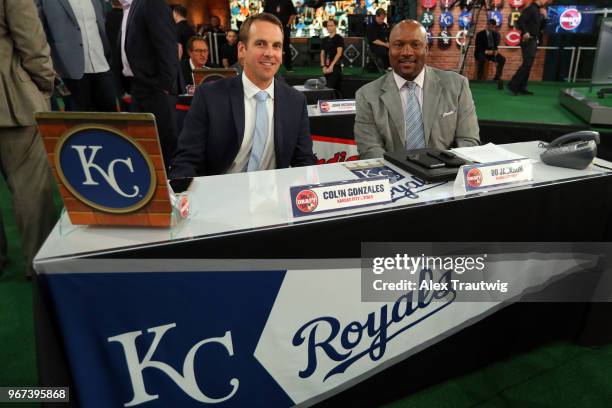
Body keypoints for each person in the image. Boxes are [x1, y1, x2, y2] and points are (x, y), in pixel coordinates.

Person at [170, 13, 316, 178]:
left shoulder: (295, 101)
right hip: (220, 196)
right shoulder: (209, 96)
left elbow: (304, 161)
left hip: (274, 197)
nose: (270, 53)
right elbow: (185, 161)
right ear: (241, 50)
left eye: (276, 46)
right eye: (260, 44)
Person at [354, 20, 480, 159]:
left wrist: (443, 170)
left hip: (446, 174)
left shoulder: (457, 86)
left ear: (426, 49)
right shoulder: (366, 95)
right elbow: (370, 149)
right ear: (389, 49)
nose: (407, 52)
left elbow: (468, 141)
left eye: (415, 45)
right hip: (394, 176)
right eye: (398, 45)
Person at [0, 0, 57, 276]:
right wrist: (45, 84)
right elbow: (32, 43)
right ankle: (40, 266)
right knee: (31, 190)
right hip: (12, 103)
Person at [122, 0, 179, 170]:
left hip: (155, 88)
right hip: (139, 86)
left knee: (164, 148)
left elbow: (167, 47)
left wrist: (165, 86)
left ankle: (171, 191)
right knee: (144, 147)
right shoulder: (134, 5)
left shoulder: (151, 3)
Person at [37, 0, 116, 111]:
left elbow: (103, 24)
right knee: (77, 122)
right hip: (69, 70)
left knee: (111, 120)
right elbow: (38, 33)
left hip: (102, 65)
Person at [508, 0, 550, 96]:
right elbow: (520, 21)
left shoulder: (539, 11)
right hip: (528, 40)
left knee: (529, 64)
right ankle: (513, 84)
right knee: (527, 63)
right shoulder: (530, 9)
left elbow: (540, 28)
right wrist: (526, 32)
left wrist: (544, 17)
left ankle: (522, 87)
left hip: (534, 40)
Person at [263, 0, 297, 72]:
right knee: (270, 46)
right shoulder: (269, 2)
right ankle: (269, 66)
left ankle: (289, 67)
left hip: (284, 27)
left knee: (286, 46)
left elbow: (293, 14)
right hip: (271, 28)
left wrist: (287, 25)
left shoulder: (288, 1)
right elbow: (264, 15)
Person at [474, 19, 506, 89]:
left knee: (502, 59)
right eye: (489, 25)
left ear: (494, 26)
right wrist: (486, 51)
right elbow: (478, 46)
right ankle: (479, 78)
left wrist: (496, 51)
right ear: (487, 25)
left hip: (492, 53)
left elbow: (495, 45)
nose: (490, 27)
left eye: (492, 26)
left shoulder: (495, 34)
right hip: (481, 52)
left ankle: (497, 77)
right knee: (481, 59)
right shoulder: (480, 34)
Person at [320, 19, 344, 93]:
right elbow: (322, 53)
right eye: (328, 26)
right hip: (326, 68)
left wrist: (331, 66)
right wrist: (323, 66)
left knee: (329, 88)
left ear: (335, 26)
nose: (329, 27)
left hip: (335, 67)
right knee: (333, 89)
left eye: (331, 25)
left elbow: (339, 53)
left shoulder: (339, 38)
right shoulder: (324, 39)